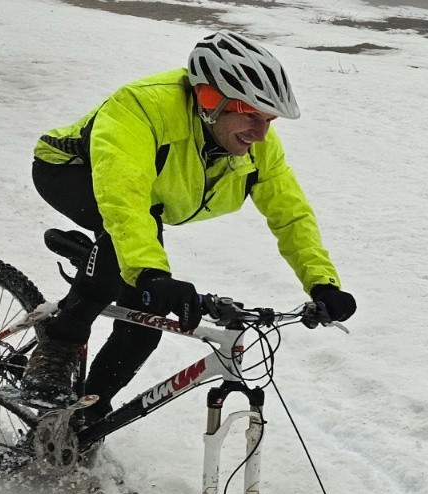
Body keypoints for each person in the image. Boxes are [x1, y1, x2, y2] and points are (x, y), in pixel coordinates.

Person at [22, 31, 357, 411]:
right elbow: (125, 200)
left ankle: (86, 413)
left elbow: (291, 214)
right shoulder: (142, 106)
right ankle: (57, 345)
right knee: (124, 258)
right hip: (72, 172)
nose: (261, 134)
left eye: (269, 118)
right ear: (210, 100)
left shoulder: (257, 147)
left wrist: (323, 284)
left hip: (146, 201)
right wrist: (151, 274)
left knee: (146, 322)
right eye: (251, 114)